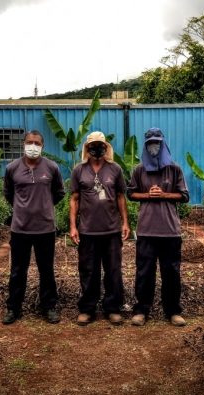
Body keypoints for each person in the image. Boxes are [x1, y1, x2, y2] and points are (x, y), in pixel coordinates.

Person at [2, 129, 65, 324]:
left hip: (45, 228)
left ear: (42, 146)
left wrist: (43, 205)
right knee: (17, 270)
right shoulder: (12, 168)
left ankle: (49, 307)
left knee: (46, 270)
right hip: (20, 229)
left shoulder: (52, 167)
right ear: (23, 144)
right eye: (30, 142)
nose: (33, 146)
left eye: (37, 143)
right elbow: (8, 194)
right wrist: (23, 208)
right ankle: (14, 308)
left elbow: (59, 192)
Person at [127, 127, 189, 327]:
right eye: (150, 143)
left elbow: (184, 196)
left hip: (170, 231)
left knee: (171, 272)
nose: (154, 146)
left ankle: (172, 311)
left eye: (157, 143)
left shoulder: (174, 169)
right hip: (146, 231)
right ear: (146, 146)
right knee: (144, 272)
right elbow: (131, 193)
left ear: (163, 144)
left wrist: (163, 194)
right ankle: (141, 310)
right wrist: (148, 194)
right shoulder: (139, 170)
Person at [70, 131, 130, 326]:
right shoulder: (79, 170)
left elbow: (121, 197)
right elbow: (74, 199)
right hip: (87, 231)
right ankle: (87, 309)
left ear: (106, 147)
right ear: (87, 148)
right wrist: (73, 226)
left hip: (111, 230)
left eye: (100, 145)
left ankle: (112, 308)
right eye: (93, 145)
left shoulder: (115, 169)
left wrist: (125, 223)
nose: (97, 148)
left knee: (113, 270)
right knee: (88, 270)